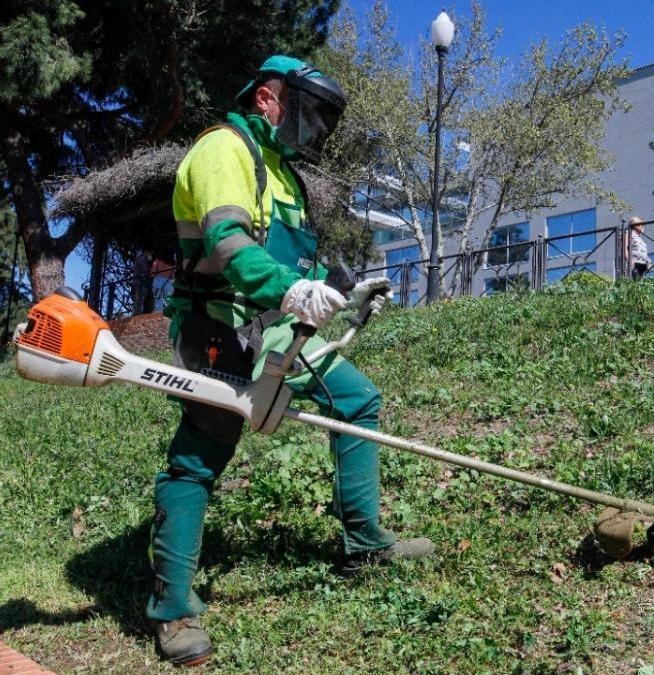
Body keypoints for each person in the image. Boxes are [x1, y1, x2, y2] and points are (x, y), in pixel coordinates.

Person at [151, 55, 434, 667]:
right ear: (266, 99)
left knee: (358, 401)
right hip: (217, 326)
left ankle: (364, 545)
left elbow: (294, 267)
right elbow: (229, 245)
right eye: (308, 114)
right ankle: (173, 609)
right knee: (200, 455)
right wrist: (288, 292)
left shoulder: (283, 175)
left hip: (279, 328)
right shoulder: (223, 151)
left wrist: (339, 294)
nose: (315, 132)